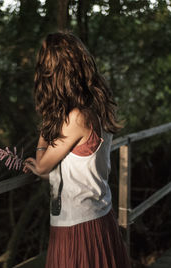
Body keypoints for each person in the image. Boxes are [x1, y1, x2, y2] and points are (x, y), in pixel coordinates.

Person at [23, 32, 131, 268]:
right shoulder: (93, 109)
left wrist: (45, 130)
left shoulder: (76, 118)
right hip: (96, 221)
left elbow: (42, 164)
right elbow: (68, 167)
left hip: (79, 229)